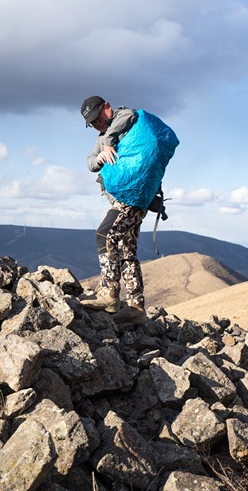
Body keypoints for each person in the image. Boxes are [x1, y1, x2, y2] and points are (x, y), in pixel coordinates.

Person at [80, 95, 148, 324]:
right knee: (127, 249)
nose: (97, 125)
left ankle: (109, 294)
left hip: (132, 195)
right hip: (133, 199)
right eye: (92, 123)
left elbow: (131, 114)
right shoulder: (102, 137)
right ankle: (136, 307)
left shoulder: (123, 117)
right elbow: (89, 163)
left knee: (105, 234)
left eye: (97, 118)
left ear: (106, 107)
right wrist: (100, 155)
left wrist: (109, 141)